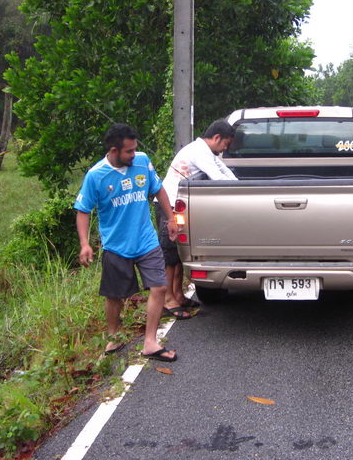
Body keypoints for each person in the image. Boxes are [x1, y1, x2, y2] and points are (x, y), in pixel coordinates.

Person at [75, 123, 178, 362]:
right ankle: (114, 335)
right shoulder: (96, 176)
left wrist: (171, 218)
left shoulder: (142, 161)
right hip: (116, 245)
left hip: (146, 239)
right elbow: (82, 210)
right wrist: (84, 243)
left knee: (159, 287)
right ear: (114, 150)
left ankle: (150, 342)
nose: (134, 155)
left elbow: (159, 189)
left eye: (134, 150)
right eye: (128, 152)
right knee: (115, 296)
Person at [157, 119, 238, 317]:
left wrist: (240, 184)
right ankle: (167, 300)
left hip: (180, 207)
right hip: (169, 206)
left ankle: (177, 294)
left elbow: (224, 171)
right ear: (217, 137)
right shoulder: (199, 151)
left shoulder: (206, 151)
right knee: (170, 255)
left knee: (177, 255)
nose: (224, 149)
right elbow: (217, 177)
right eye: (225, 144)